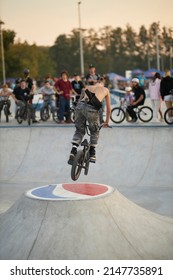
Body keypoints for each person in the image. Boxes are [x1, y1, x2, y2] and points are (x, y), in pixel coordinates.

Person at [68, 76, 111, 164]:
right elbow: (109, 109)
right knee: (94, 130)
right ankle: (92, 153)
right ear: (103, 83)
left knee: (79, 130)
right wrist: (106, 122)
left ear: (96, 82)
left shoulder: (88, 87)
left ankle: (73, 150)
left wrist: (76, 114)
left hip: (80, 107)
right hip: (91, 109)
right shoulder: (106, 90)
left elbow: (79, 100)